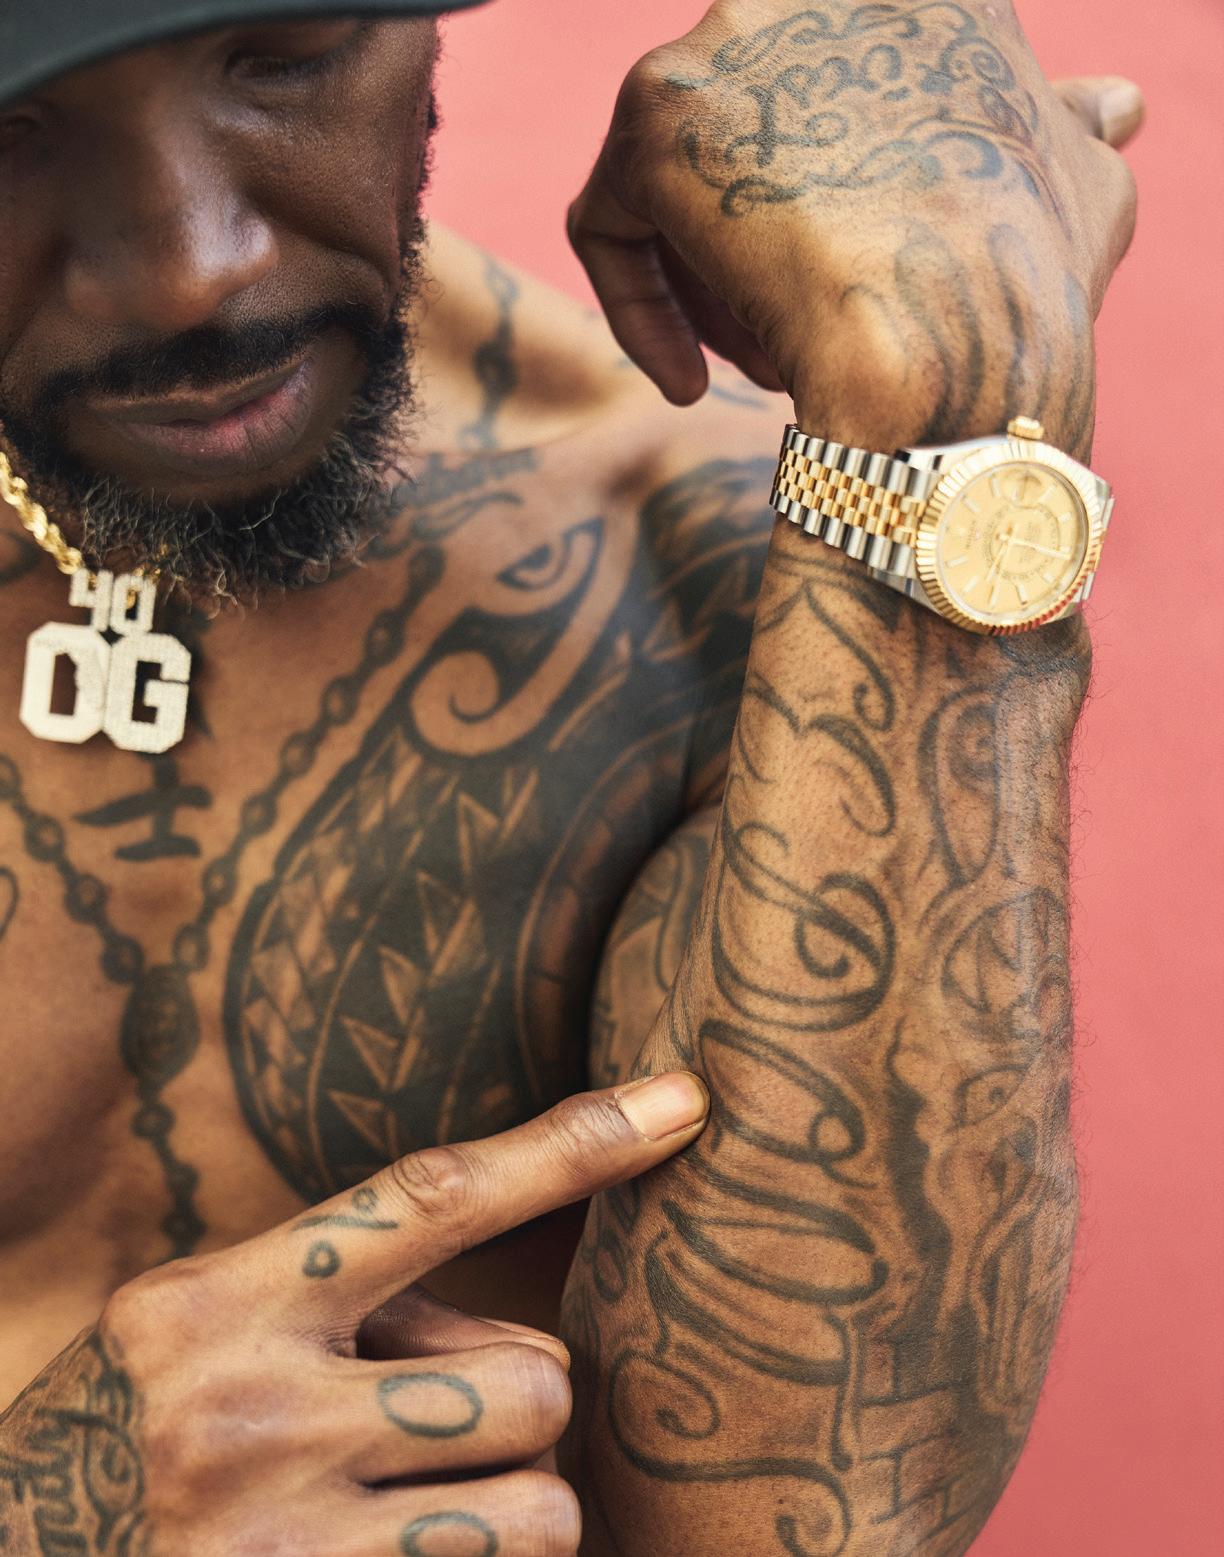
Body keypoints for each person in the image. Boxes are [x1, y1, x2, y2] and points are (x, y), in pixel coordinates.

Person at [0, 1, 1141, 1553]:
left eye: (285, 56)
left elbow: (819, 1522)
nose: (195, 268)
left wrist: (952, 405)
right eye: (12, 128)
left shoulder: (733, 549)